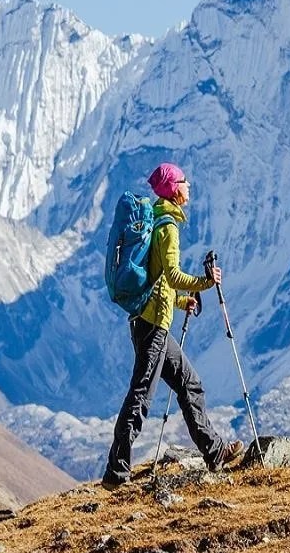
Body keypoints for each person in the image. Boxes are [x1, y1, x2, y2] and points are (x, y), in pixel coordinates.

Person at [102, 162, 243, 488]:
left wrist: (182, 302)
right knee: (140, 397)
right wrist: (206, 282)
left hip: (152, 321)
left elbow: (158, 282)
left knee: (188, 383)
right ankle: (116, 472)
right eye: (183, 180)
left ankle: (215, 451)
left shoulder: (161, 221)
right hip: (153, 327)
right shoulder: (167, 228)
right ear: (173, 189)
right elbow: (172, 275)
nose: (188, 184)